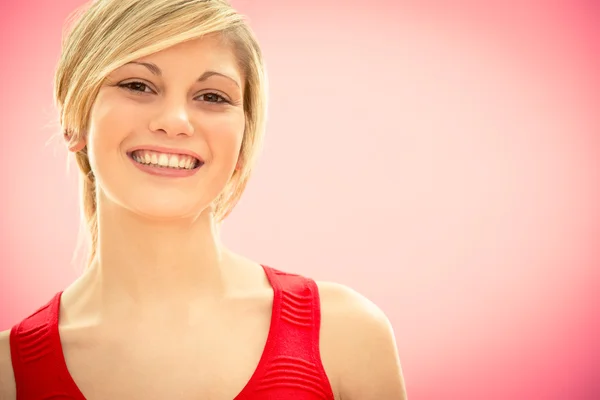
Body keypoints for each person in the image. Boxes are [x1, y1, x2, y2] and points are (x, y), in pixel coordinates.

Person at [0, 0, 407, 398]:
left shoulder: (345, 334)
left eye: (212, 96)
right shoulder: (7, 373)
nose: (175, 121)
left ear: (243, 142)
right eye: (137, 85)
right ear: (74, 120)